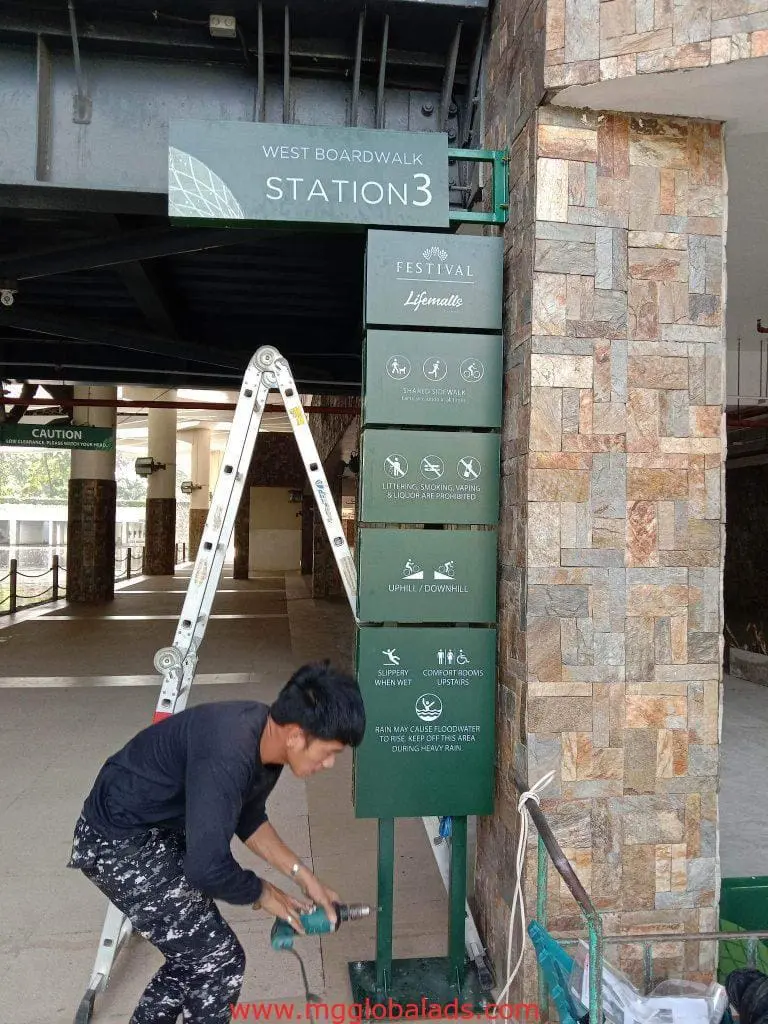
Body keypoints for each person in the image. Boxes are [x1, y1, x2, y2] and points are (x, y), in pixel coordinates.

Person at [67, 661, 366, 1024]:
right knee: (218, 961)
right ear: (296, 735)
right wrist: (266, 894)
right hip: (116, 842)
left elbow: (249, 817)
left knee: (194, 957)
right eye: (330, 751)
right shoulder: (230, 749)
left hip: (153, 831)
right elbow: (206, 866)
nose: (331, 764)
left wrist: (307, 880)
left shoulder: (265, 742)